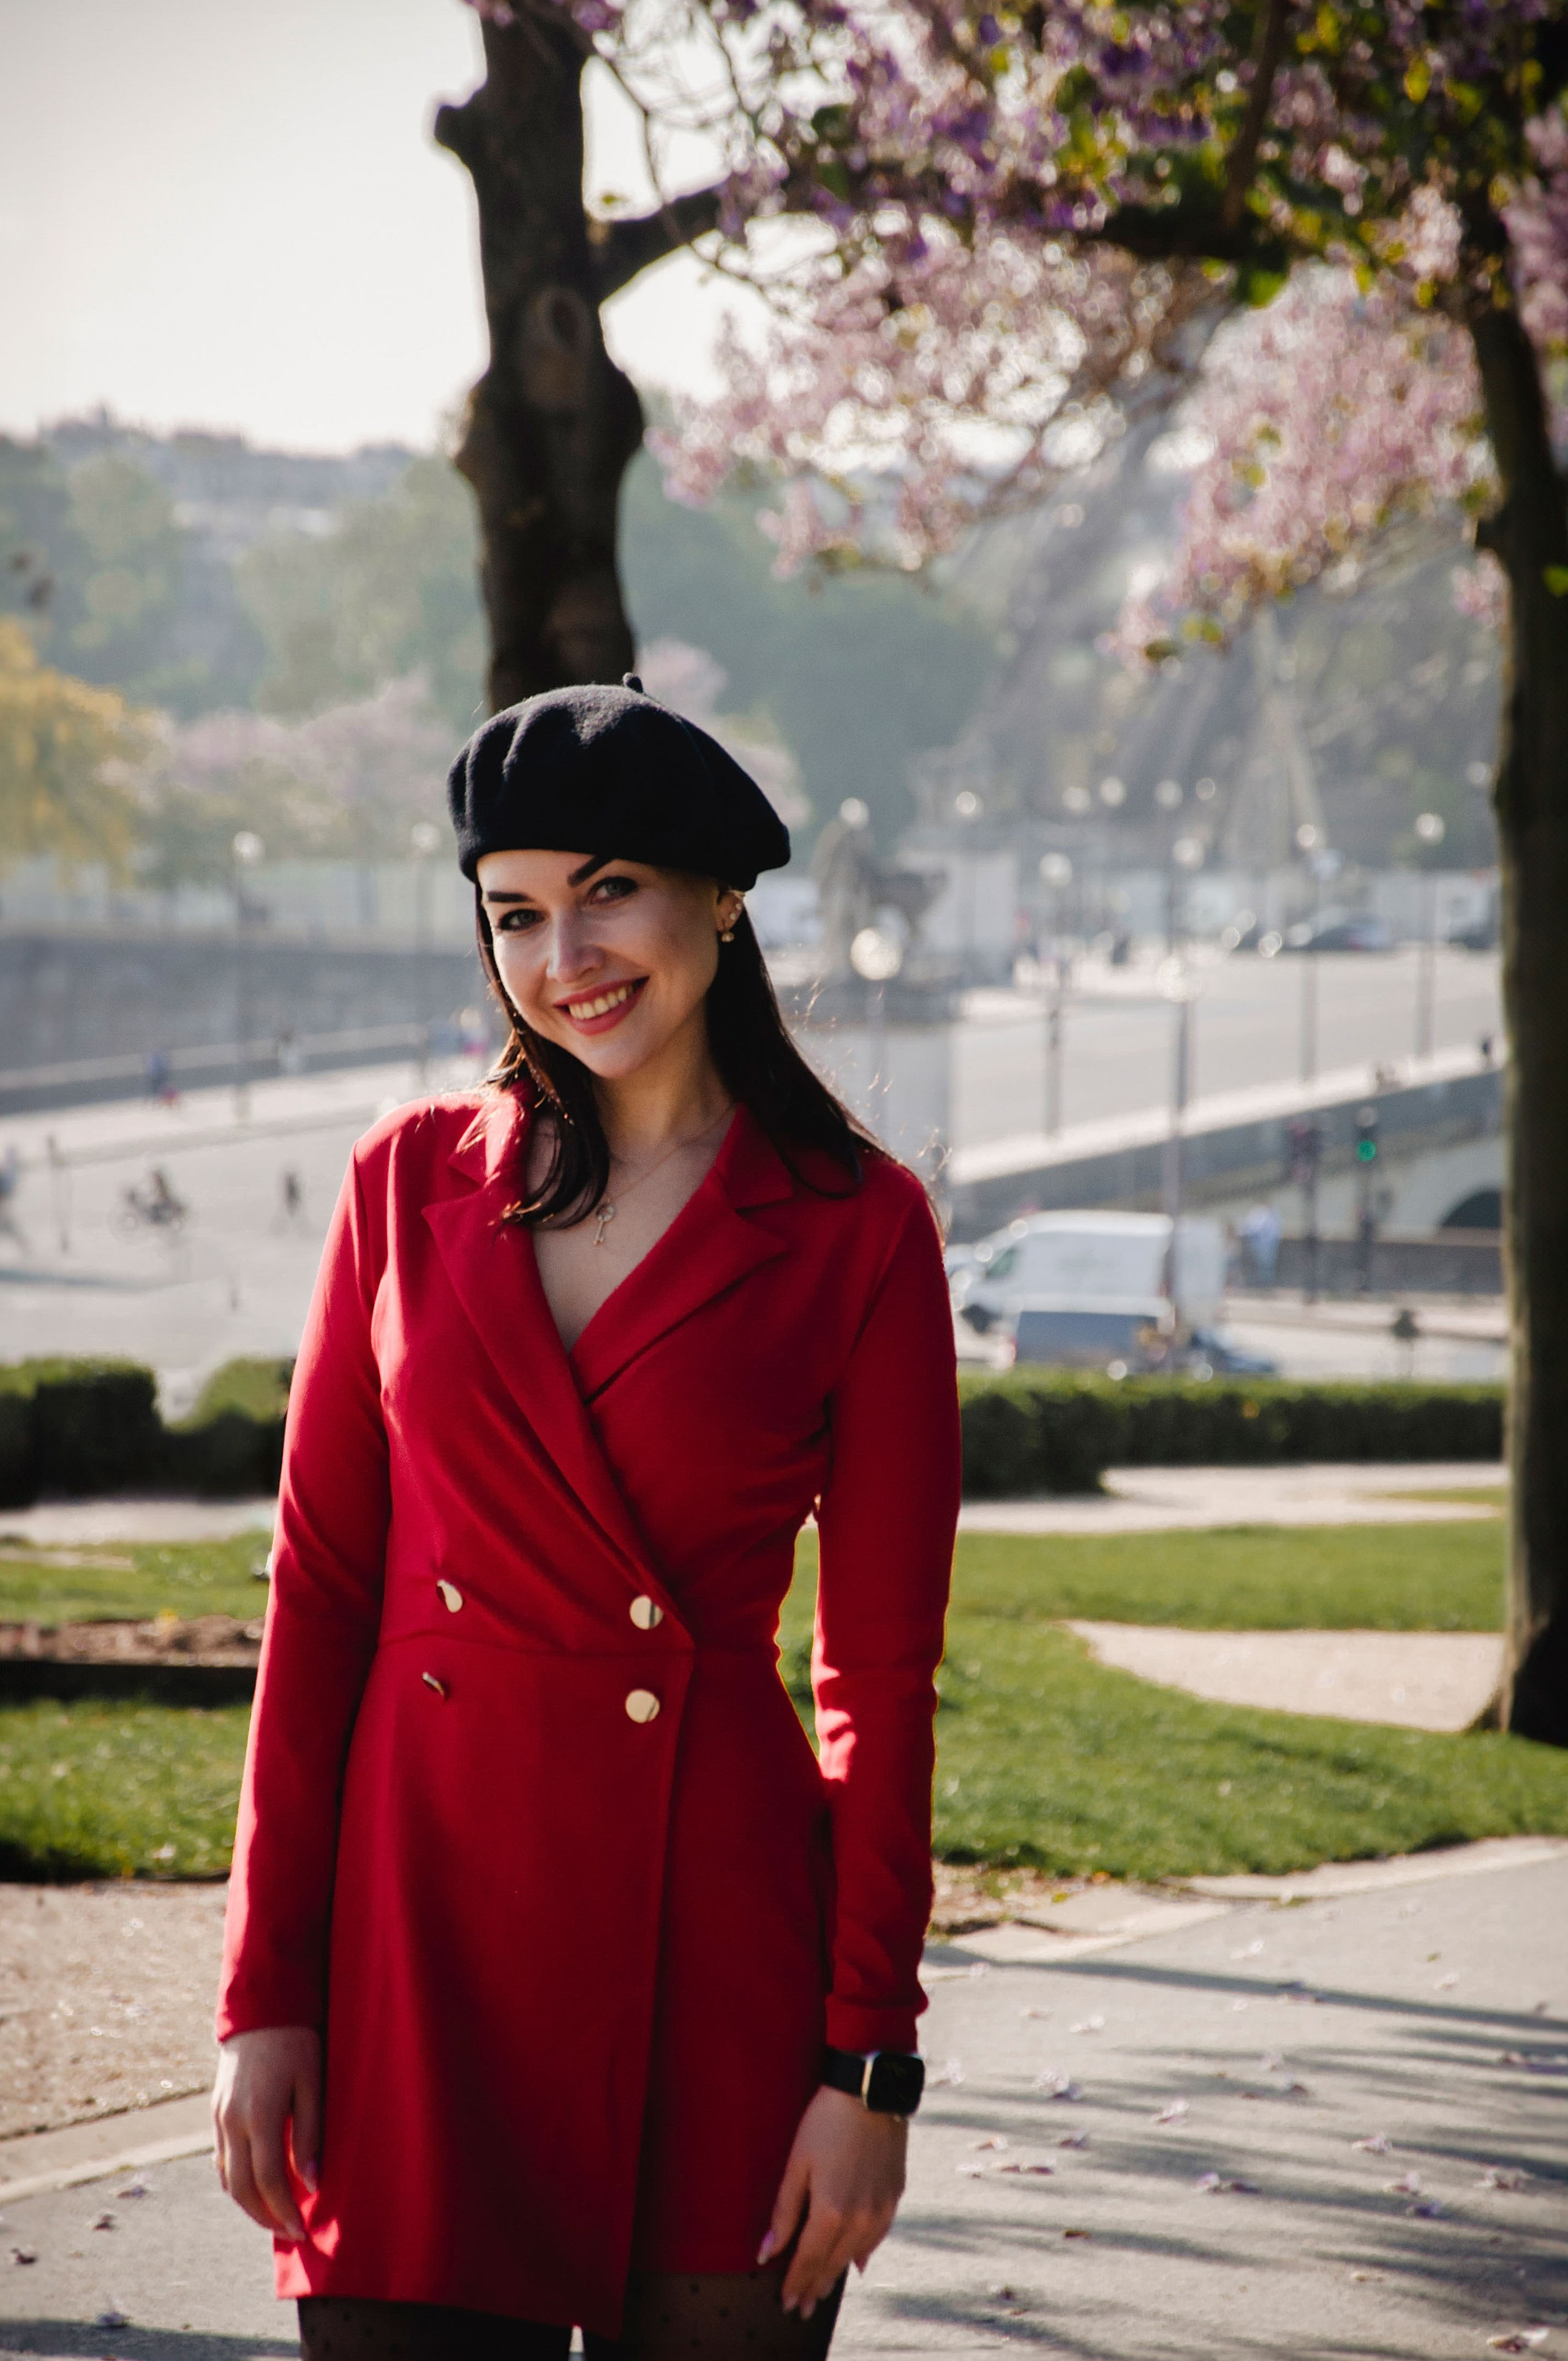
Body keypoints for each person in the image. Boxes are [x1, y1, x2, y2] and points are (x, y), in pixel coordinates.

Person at [211, 675, 962, 2361]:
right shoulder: (402, 1183)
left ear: (721, 897)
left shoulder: (860, 1227)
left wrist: (868, 2068)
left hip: (722, 1963)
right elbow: (320, 1601)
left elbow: (880, 1684)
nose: (568, 958)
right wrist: (267, 1996)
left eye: (609, 890)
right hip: (424, 1949)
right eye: (517, 915)